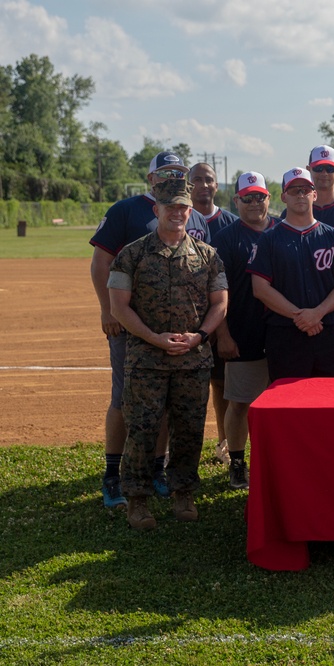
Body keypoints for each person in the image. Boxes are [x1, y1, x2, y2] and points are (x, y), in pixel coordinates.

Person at [89, 151, 211, 509]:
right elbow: (101, 262)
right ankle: (113, 474)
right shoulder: (126, 209)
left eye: (178, 171)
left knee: (170, 406)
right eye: (164, 172)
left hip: (182, 335)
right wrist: (106, 309)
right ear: (150, 177)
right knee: (125, 401)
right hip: (134, 329)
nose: (170, 177)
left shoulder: (194, 214)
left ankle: (157, 469)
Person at [108, 179, 227, 530]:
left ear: (190, 212)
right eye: (170, 206)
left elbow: (220, 303)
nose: (177, 213)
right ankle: (138, 499)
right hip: (147, 360)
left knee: (189, 430)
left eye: (183, 207)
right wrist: (153, 338)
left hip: (192, 360)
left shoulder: (208, 255)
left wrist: (199, 336)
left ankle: (184, 492)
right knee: (143, 429)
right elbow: (119, 307)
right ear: (156, 209)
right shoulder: (131, 254)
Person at [248, 167, 334, 381]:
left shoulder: (333, 237)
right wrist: (300, 316)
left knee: (331, 402)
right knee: (287, 405)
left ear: (314, 194)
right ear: (283, 196)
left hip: (328, 331)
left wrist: (317, 314)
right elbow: (260, 289)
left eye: (305, 190)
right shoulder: (269, 239)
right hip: (286, 333)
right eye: (294, 190)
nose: (300, 195)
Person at [210, 171, 276, 489]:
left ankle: (276, 462)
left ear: (269, 197)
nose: (254, 203)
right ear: (236, 200)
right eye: (247, 197)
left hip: (283, 335)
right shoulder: (225, 239)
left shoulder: (284, 230)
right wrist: (222, 334)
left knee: (280, 405)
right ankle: (237, 462)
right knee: (239, 403)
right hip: (242, 332)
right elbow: (214, 292)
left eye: (259, 196)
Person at [189, 161, 239, 465]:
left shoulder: (230, 223)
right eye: (197, 180)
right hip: (186, 317)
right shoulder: (178, 219)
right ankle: (180, 450)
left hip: (221, 318)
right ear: (189, 185)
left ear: (216, 185)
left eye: (209, 180)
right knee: (184, 388)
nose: (204, 186)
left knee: (221, 383)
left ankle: (223, 441)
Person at [280, 145, 334, 230]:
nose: (324, 173)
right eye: (318, 168)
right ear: (308, 169)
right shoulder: (293, 211)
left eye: (330, 168)